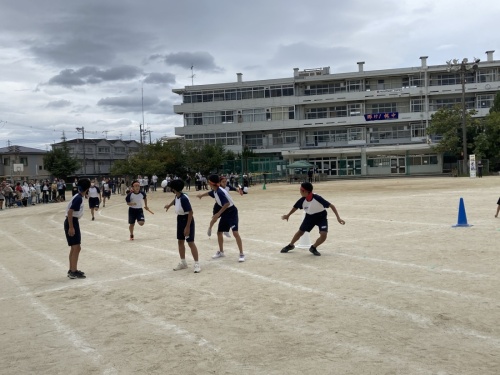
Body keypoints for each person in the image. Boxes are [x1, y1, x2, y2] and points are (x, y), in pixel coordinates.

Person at [281, 182, 345, 256]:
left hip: (321, 217)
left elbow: (332, 206)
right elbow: (295, 207)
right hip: (309, 217)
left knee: (323, 235)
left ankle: (313, 247)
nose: (300, 191)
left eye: (301, 190)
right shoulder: (302, 200)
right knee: (300, 232)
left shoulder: (317, 198)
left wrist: (338, 218)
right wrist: (288, 215)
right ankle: (291, 245)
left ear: (306, 191)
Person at [197, 174, 245, 262]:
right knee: (219, 232)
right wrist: (201, 195)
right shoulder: (216, 190)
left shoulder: (219, 192)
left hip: (231, 211)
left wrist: (217, 214)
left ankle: (241, 253)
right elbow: (209, 193)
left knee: (235, 233)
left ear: (211, 183)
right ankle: (221, 252)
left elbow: (226, 204)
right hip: (225, 212)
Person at [164, 179, 201, 273]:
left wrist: (187, 227)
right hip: (180, 219)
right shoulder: (178, 195)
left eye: (171, 187)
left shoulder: (184, 199)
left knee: (190, 242)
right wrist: (169, 205)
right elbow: (175, 199)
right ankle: (183, 262)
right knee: (180, 241)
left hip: (187, 220)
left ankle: (197, 263)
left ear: (174, 189)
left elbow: (190, 212)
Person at [64, 178, 91, 279]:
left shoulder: (78, 196)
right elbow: (70, 212)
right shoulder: (79, 198)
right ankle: (73, 271)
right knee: (76, 247)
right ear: (87, 188)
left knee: (75, 247)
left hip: (72, 221)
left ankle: (72, 269)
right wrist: (71, 227)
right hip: (72, 221)